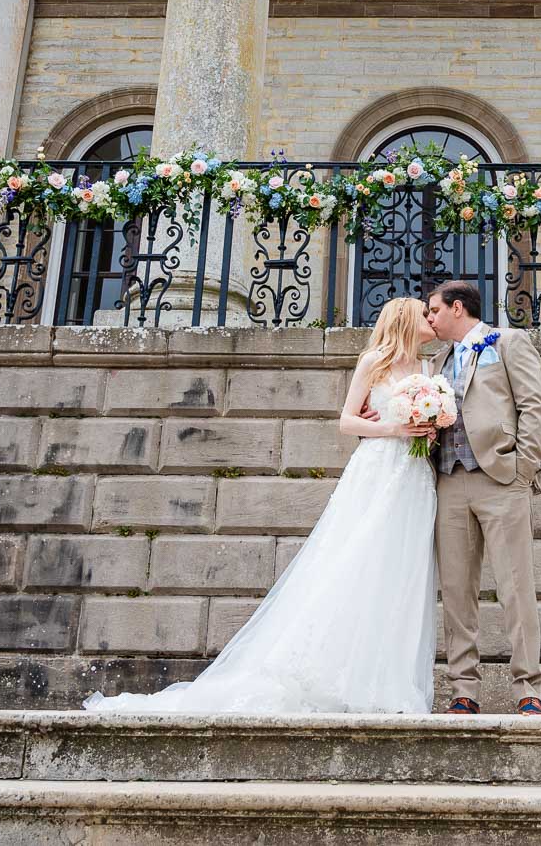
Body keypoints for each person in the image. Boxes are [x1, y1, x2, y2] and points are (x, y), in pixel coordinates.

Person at [82, 297, 440, 714]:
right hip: (377, 470)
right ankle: (330, 674)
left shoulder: (428, 368)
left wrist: (430, 430)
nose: (431, 318)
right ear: (404, 319)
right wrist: (395, 428)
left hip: (414, 477)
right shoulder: (374, 362)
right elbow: (347, 421)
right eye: (424, 313)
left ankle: (386, 681)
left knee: (402, 572)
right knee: (355, 560)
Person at [423, 279, 541, 716]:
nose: (429, 319)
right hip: (449, 482)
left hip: (501, 480)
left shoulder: (508, 342)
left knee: (516, 587)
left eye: (434, 310)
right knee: (457, 593)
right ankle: (464, 690)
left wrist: (523, 469)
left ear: (457, 308)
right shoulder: (436, 361)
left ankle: (528, 689)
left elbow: (534, 407)